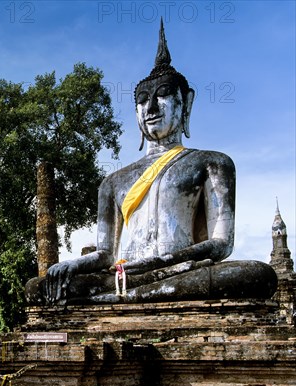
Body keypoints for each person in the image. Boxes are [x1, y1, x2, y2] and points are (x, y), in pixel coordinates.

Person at [26, 20, 277, 306]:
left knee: (256, 276)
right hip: (125, 275)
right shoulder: (114, 182)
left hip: (180, 271)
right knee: (39, 288)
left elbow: (221, 245)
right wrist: (75, 264)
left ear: (186, 103)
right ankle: (122, 295)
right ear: (135, 112)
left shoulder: (212, 163)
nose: (152, 108)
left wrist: (161, 262)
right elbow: (106, 254)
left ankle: (116, 300)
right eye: (143, 100)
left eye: (163, 95)